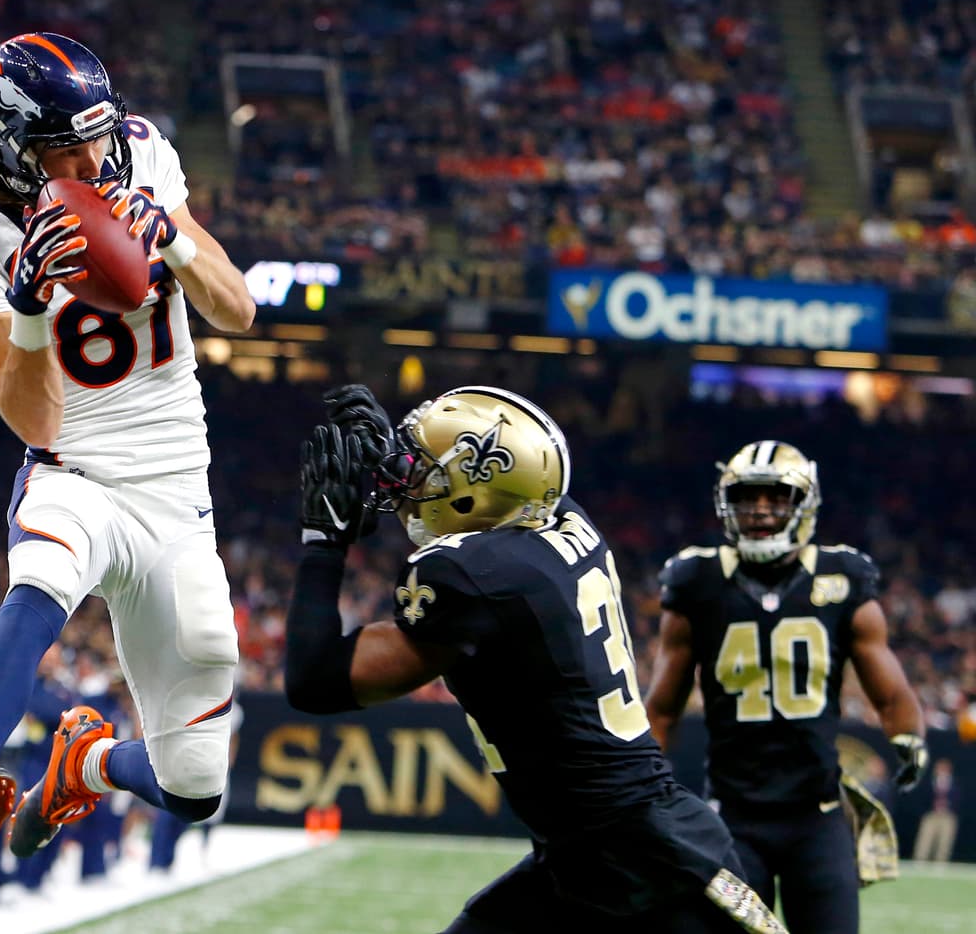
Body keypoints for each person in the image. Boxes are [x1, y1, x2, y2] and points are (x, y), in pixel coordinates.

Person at [0, 32, 254, 882]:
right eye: (67, 145)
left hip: (176, 480)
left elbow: (238, 310)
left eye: (98, 134)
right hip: (77, 463)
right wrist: (27, 305)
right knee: (40, 586)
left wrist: (172, 237)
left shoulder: (140, 158)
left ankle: (81, 769)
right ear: (9, 147)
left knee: (196, 782)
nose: (93, 157)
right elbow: (34, 418)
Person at [284, 384, 787, 934]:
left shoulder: (471, 574)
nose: (405, 479)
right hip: (593, 856)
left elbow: (315, 682)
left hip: (654, 870)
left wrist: (322, 545)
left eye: (424, 468)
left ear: (477, 487)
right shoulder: (559, 518)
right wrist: (400, 453)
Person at [644, 441, 928, 934]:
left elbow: (889, 688)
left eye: (775, 497)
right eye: (748, 497)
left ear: (804, 503)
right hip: (732, 817)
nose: (759, 510)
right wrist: (643, 784)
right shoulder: (698, 579)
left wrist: (909, 734)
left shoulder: (843, 578)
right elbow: (662, 706)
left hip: (816, 817)